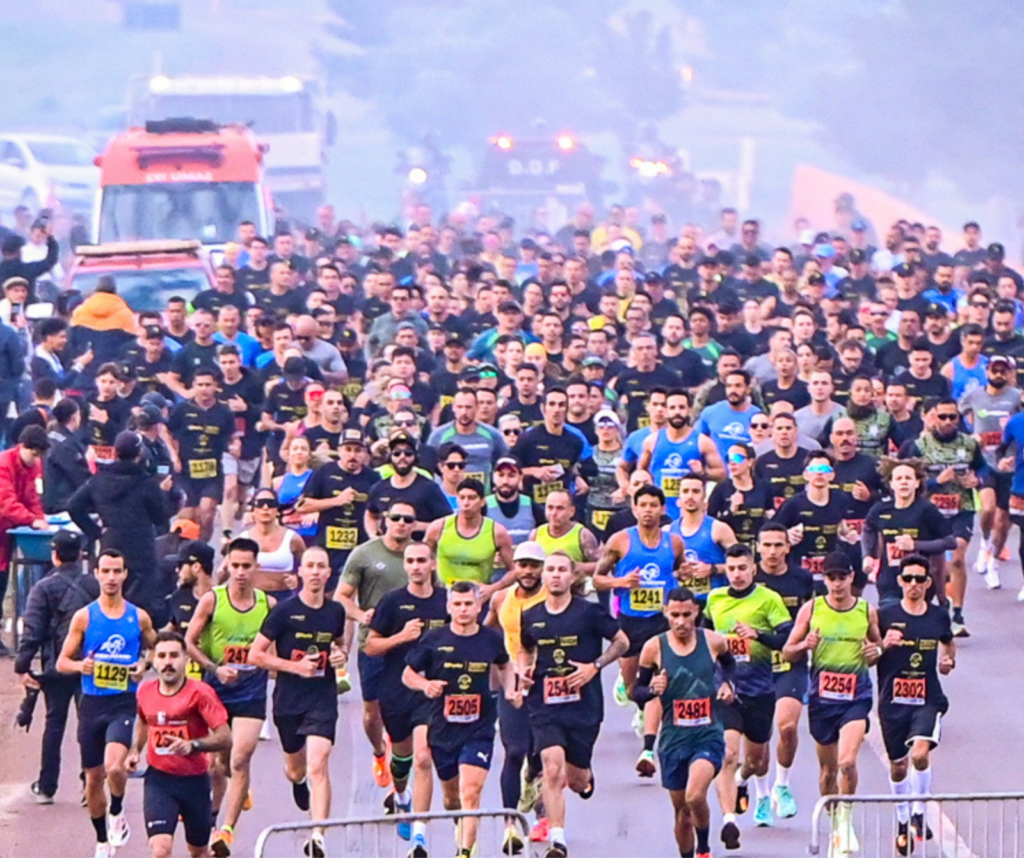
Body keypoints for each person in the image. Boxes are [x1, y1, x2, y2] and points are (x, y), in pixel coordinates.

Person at [518, 551, 629, 858]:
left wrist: (594, 666)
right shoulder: (531, 615)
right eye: (550, 569)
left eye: (561, 569)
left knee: (576, 781)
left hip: (584, 705)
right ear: (543, 576)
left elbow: (622, 642)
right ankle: (558, 840)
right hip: (545, 704)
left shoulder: (589, 613)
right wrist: (524, 672)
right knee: (552, 769)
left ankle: (585, 774)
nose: (555, 575)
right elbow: (525, 649)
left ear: (572, 576)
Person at [404, 580, 516, 858]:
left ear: (479, 606)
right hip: (442, 729)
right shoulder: (433, 641)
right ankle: (460, 823)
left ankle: (465, 851)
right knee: (452, 798)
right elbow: (407, 674)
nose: (463, 609)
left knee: (471, 790)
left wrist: (511, 688)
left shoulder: (490, 638)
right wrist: (425, 685)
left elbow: (504, 664)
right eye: (457, 604)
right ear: (449, 607)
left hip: (479, 728)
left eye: (468, 604)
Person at [57, 549, 157, 858]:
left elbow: (159, 647)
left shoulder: (138, 616)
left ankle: (116, 810)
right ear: (97, 574)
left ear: (125, 574)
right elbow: (62, 662)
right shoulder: (84, 616)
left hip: (122, 703)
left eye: (117, 571)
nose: (111, 577)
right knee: (93, 778)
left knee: (115, 767)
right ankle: (102, 840)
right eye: (106, 571)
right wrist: (80, 667)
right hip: (92, 704)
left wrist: (145, 665)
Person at [249, 547, 347, 858]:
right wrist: (295, 667)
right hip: (289, 698)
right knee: (296, 768)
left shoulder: (336, 612)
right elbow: (256, 654)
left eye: (321, 566)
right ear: (300, 572)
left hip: (322, 697)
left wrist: (340, 656)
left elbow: (339, 646)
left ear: (328, 573)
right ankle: (298, 779)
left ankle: (318, 836)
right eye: (310, 566)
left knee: (319, 761)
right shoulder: (283, 612)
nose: (316, 572)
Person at [783, 552, 883, 858]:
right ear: (823, 579)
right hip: (822, 699)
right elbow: (787, 652)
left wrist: (873, 652)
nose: (837, 584)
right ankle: (835, 818)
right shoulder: (812, 610)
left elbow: (877, 649)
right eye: (831, 578)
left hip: (856, 697)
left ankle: (846, 820)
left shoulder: (866, 611)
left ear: (852, 578)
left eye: (842, 577)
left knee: (847, 762)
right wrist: (804, 646)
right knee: (827, 771)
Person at [184, 537, 274, 857]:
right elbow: (189, 642)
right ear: (227, 566)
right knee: (216, 765)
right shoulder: (212, 600)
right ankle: (220, 807)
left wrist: (273, 664)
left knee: (239, 758)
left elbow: (274, 648)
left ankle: (226, 831)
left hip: (251, 691)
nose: (240, 572)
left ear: (256, 567)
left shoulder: (267, 605)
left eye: (246, 566)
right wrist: (213, 667)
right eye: (234, 566)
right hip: (216, 690)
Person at [632, 587, 735, 858]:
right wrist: (653, 688)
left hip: (707, 734)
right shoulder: (654, 647)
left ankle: (704, 848)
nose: (680, 621)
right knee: (682, 813)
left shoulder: (713, 641)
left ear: (696, 613)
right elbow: (637, 692)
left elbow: (729, 664)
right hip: (673, 739)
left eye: (686, 615)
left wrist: (726, 683)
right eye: (675, 615)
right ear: (666, 612)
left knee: (694, 796)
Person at [703, 545, 792, 844]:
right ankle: (729, 821)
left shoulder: (769, 599)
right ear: (725, 571)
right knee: (728, 754)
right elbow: (702, 634)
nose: (737, 574)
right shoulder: (715, 599)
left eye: (743, 568)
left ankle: (742, 781)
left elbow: (787, 639)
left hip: (760, 690)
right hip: (726, 689)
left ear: (754, 569)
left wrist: (759, 636)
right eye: (732, 569)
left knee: (755, 761)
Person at [364, 540, 449, 853]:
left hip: (431, 690)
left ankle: (420, 830)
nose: (415, 566)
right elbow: (370, 646)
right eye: (410, 561)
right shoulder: (393, 602)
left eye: (421, 560)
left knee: (424, 756)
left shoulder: (446, 601)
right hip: (396, 689)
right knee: (402, 758)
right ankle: (401, 796)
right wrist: (401, 637)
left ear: (432, 564)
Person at [127, 631, 232, 858]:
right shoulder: (145, 691)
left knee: (198, 852)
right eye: (162, 656)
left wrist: (192, 745)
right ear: (153, 660)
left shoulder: (201, 693)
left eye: (174, 656)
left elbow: (225, 737)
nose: (168, 662)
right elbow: (144, 721)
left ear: (186, 659)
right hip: (160, 781)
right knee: (160, 850)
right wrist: (135, 750)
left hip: (194, 782)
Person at [877, 555, 956, 855]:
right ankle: (901, 819)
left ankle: (919, 812)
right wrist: (884, 644)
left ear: (928, 583)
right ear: (899, 582)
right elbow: (867, 653)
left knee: (920, 754)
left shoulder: (937, 615)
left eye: (919, 580)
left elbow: (948, 642)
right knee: (898, 765)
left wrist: (949, 660)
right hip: (892, 701)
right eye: (907, 579)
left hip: (928, 698)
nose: (913, 585)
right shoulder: (884, 615)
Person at [336, 499, 418, 787]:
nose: (402, 524)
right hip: (373, 643)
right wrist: (361, 615)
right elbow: (342, 596)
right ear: (385, 520)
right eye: (396, 517)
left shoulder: (419, 556)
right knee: (372, 712)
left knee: (404, 710)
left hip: (410, 646)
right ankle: (379, 752)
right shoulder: (364, 554)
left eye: (408, 519)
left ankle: (402, 767)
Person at [592, 486, 684, 736]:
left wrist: (683, 577)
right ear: (634, 509)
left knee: (665, 678)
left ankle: (660, 724)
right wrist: (619, 582)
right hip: (631, 620)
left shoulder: (674, 543)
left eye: (653, 505)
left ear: (663, 509)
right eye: (642, 505)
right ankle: (639, 702)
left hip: (662, 620)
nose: (647, 510)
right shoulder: (620, 541)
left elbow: (678, 570)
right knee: (634, 688)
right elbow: (597, 579)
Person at [15, 530, 98, 803]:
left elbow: (33, 629)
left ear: (54, 554)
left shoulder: (44, 587)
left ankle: (47, 785)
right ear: (81, 554)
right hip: (90, 663)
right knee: (88, 723)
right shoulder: (93, 585)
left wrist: (23, 665)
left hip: (57, 664)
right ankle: (90, 783)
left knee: (54, 724)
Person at [898, 397, 987, 637]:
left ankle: (957, 614)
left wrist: (977, 480)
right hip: (929, 512)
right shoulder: (918, 446)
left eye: (953, 417)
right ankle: (938, 607)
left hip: (961, 509)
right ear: (932, 417)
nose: (948, 422)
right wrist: (937, 481)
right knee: (936, 567)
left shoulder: (969, 444)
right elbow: (905, 480)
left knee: (957, 558)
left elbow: (983, 468)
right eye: (943, 417)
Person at [485, 541, 549, 854]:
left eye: (534, 566)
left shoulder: (552, 599)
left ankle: (536, 791)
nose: (527, 571)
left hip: (546, 684)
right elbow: (486, 635)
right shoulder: (501, 598)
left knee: (540, 755)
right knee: (514, 751)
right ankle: (511, 825)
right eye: (522, 565)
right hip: (510, 683)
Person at [68, 431, 170, 620]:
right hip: (141, 551)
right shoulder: (147, 483)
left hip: (110, 545)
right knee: (140, 605)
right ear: (139, 454)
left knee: (109, 599)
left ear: (115, 452)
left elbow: (74, 506)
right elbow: (160, 517)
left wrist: (95, 531)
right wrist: (167, 496)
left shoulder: (99, 480)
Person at [753, 523, 813, 820]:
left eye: (779, 545)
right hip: (756, 666)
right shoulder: (749, 578)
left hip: (792, 662)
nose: (773, 551)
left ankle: (782, 785)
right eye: (767, 545)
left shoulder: (802, 578)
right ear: (758, 547)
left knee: (787, 726)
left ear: (788, 548)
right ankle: (761, 794)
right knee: (759, 739)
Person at [958, 355, 1022, 587]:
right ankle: (985, 543)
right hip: (983, 462)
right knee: (988, 508)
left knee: (1004, 521)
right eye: (995, 371)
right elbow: (955, 415)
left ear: (1009, 374)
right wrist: (969, 436)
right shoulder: (975, 396)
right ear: (987, 372)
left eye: (1003, 371)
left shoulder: (1015, 397)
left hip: (1009, 464)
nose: (998, 375)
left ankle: (993, 560)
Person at [862, 459, 954, 609]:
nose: (903, 482)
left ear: (917, 483)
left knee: (915, 627)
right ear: (891, 484)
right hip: (889, 580)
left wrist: (915, 545)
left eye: (908, 478)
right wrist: (867, 555)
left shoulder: (926, 509)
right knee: (892, 623)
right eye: (899, 478)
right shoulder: (881, 509)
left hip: (919, 581)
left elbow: (950, 542)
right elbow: (868, 529)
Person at [167, 369, 238, 542]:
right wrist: (174, 455)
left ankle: (203, 547)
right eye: (200, 385)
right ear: (193, 386)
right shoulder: (182, 410)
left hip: (211, 472)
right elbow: (168, 433)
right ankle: (183, 551)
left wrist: (235, 446)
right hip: (186, 471)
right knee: (187, 515)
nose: (204, 389)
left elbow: (233, 437)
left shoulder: (224, 412)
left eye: (208, 385)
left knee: (206, 512)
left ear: (216, 387)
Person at [774, 451, 861, 591]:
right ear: (806, 475)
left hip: (832, 573)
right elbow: (771, 531)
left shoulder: (842, 501)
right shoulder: (793, 504)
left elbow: (852, 530)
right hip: (800, 572)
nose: (819, 474)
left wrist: (849, 535)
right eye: (814, 470)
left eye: (825, 470)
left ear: (832, 475)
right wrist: (787, 536)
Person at [0, 425, 50, 654]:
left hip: (7, 534)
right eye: (34, 454)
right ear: (23, 447)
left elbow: (32, 497)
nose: (36, 460)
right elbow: (6, 503)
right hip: (5, 527)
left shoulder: (33, 466)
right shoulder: (3, 465)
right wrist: (32, 521)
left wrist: (40, 520)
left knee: (2, 583)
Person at [638, 389, 724, 519]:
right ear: (666, 411)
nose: (677, 412)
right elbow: (641, 472)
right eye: (672, 407)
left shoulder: (702, 442)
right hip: (659, 514)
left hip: (690, 514)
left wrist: (703, 473)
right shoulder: (652, 441)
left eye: (681, 407)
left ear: (689, 410)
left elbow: (722, 473)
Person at [426, 478, 515, 597]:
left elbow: (515, 570)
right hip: (442, 594)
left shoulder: (496, 532)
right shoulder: (439, 527)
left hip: (479, 595)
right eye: (462, 498)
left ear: (482, 501)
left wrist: (493, 588)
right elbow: (421, 559)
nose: (466, 503)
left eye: (472, 498)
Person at [512, 387, 587, 512]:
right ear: (543, 408)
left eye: (561, 405)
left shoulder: (575, 441)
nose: (557, 410)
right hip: (532, 506)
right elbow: (510, 468)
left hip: (561, 509)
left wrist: (577, 478)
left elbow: (574, 468)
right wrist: (534, 471)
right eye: (552, 404)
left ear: (567, 409)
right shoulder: (528, 438)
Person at [667, 473, 737, 604]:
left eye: (696, 491)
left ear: (704, 497)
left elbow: (742, 564)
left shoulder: (719, 529)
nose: (690, 496)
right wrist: (678, 573)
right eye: (685, 491)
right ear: (679, 498)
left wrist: (713, 569)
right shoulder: (667, 531)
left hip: (713, 603)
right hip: (679, 605)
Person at [236, 490, 305, 601]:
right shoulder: (243, 539)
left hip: (284, 598)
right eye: (260, 503)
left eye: (270, 503)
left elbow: (307, 566)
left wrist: (297, 578)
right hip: (251, 599)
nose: (265, 508)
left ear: (277, 510)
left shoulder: (292, 538)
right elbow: (227, 569)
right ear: (253, 510)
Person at [707, 443, 773, 551]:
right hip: (729, 548)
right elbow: (711, 523)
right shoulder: (721, 488)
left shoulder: (764, 487)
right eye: (729, 459)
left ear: (750, 462)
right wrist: (731, 510)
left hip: (757, 546)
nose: (732, 463)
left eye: (737, 458)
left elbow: (769, 514)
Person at [694, 370, 762, 464]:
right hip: (717, 474)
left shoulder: (758, 416)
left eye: (738, 386)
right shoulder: (710, 412)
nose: (733, 390)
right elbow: (695, 440)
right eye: (729, 386)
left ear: (748, 389)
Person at [530, 490, 601, 578]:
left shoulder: (582, 535)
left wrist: (579, 567)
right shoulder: (536, 534)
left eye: (560, 508)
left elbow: (601, 565)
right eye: (550, 507)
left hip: (575, 587)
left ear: (572, 511)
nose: (554, 513)